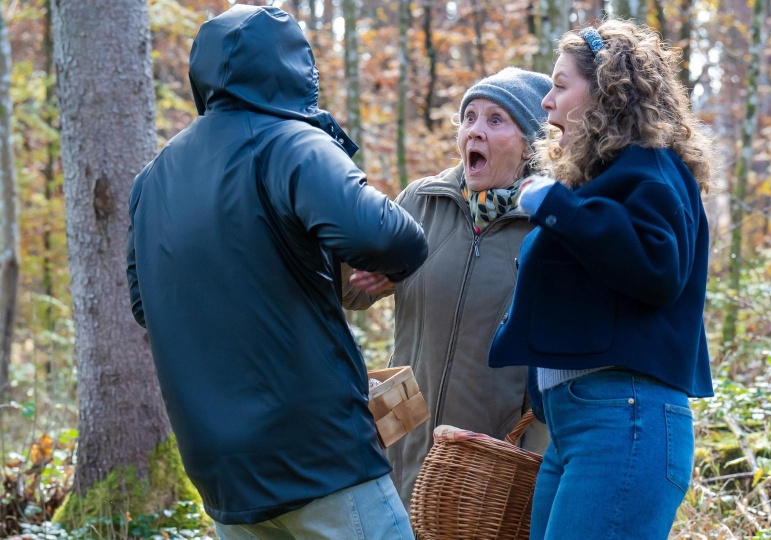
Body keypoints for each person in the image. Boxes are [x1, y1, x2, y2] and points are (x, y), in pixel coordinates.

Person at [126, 6, 427, 539]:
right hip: (320, 455)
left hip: (221, 471)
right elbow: (392, 237)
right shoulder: (291, 143)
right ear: (294, 69)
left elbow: (144, 304)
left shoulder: (151, 181)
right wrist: (390, 267)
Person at [488, 20, 716, 540]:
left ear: (607, 92)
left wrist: (560, 208)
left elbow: (658, 269)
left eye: (559, 85)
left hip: (624, 421)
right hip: (581, 425)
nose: (546, 102)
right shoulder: (601, 183)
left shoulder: (653, 169)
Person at [344, 67, 553, 506]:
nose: (475, 130)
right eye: (469, 117)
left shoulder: (549, 226)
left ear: (529, 144)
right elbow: (353, 293)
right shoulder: (421, 201)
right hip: (401, 448)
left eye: (496, 120)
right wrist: (342, 246)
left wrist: (530, 451)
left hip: (489, 462)